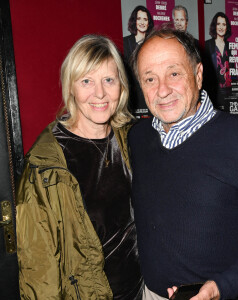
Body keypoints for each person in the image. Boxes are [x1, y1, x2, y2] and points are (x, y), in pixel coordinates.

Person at [128, 27, 238, 300]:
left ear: (198, 75)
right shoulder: (137, 138)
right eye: (150, 79)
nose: (162, 90)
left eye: (174, 73)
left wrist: (222, 287)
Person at [16, 34, 143, 300]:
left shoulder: (133, 137)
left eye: (109, 80)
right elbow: (39, 269)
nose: (99, 93)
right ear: (70, 87)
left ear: (121, 84)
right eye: (87, 81)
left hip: (142, 290)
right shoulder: (45, 166)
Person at [123, 5, 154, 119]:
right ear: (134, 21)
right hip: (131, 96)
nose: (142, 22)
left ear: (148, 22)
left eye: (145, 19)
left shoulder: (153, 44)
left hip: (149, 94)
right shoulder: (125, 42)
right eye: (139, 19)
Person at [204, 12, 232, 110]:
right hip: (214, 92)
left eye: (224, 24)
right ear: (214, 26)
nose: (221, 27)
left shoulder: (231, 46)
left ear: (227, 27)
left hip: (230, 93)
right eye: (218, 24)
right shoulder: (207, 45)